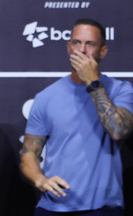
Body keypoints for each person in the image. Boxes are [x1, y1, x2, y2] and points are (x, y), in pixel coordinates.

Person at [20, 18, 133, 215]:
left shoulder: (120, 90)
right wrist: (40, 179)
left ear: (103, 51)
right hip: (53, 207)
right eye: (76, 43)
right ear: (68, 47)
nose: (81, 50)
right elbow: (28, 154)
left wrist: (92, 81)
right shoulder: (46, 97)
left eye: (90, 44)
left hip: (103, 208)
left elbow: (118, 130)